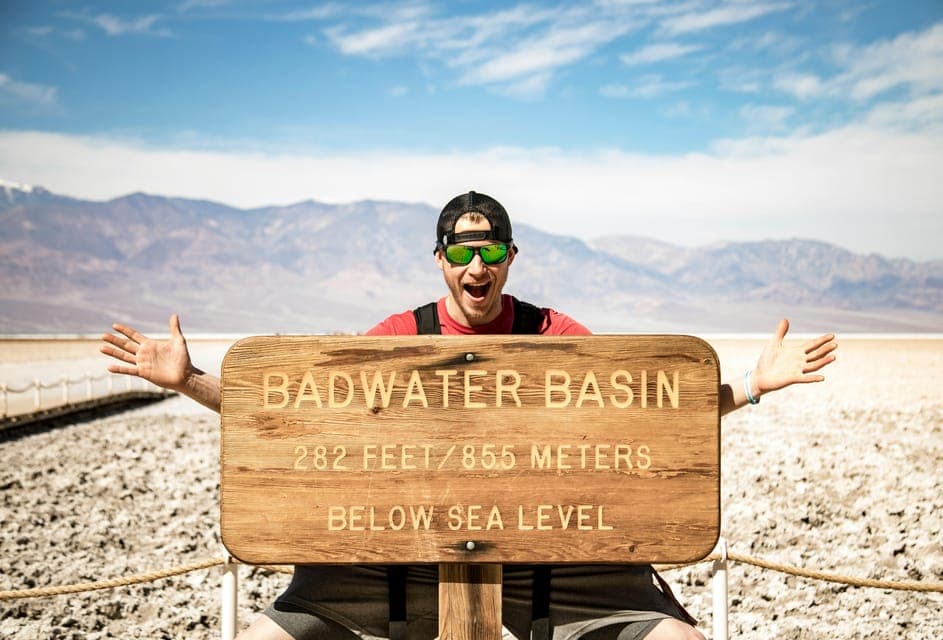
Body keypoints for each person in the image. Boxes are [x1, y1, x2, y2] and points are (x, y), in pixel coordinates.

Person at [102, 191, 838, 640]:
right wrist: (190, 379)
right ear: (440, 258)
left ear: (510, 257)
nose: (476, 267)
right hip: (392, 571)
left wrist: (750, 384)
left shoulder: (558, 339)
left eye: (489, 251)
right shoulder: (395, 337)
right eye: (462, 251)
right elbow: (296, 410)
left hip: (549, 571)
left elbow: (649, 416)